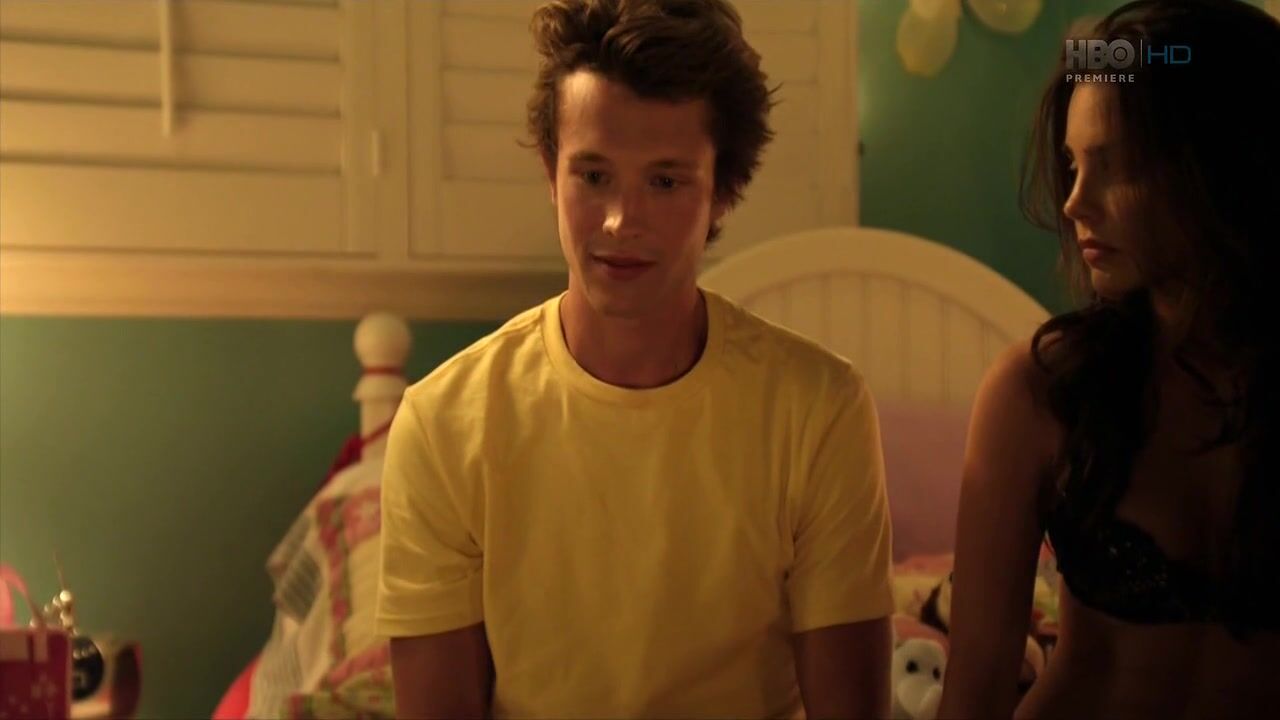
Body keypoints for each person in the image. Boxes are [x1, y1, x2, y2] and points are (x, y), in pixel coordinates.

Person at [374, 1, 894, 718]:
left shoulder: (817, 409)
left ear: (724, 190)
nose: (621, 220)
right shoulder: (444, 425)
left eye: (665, 181)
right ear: (551, 173)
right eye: (594, 176)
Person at [938, 1, 1280, 718]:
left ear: (1225, 164)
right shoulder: (1040, 393)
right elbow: (973, 695)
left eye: (1116, 167)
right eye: (1071, 165)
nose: (1073, 203)